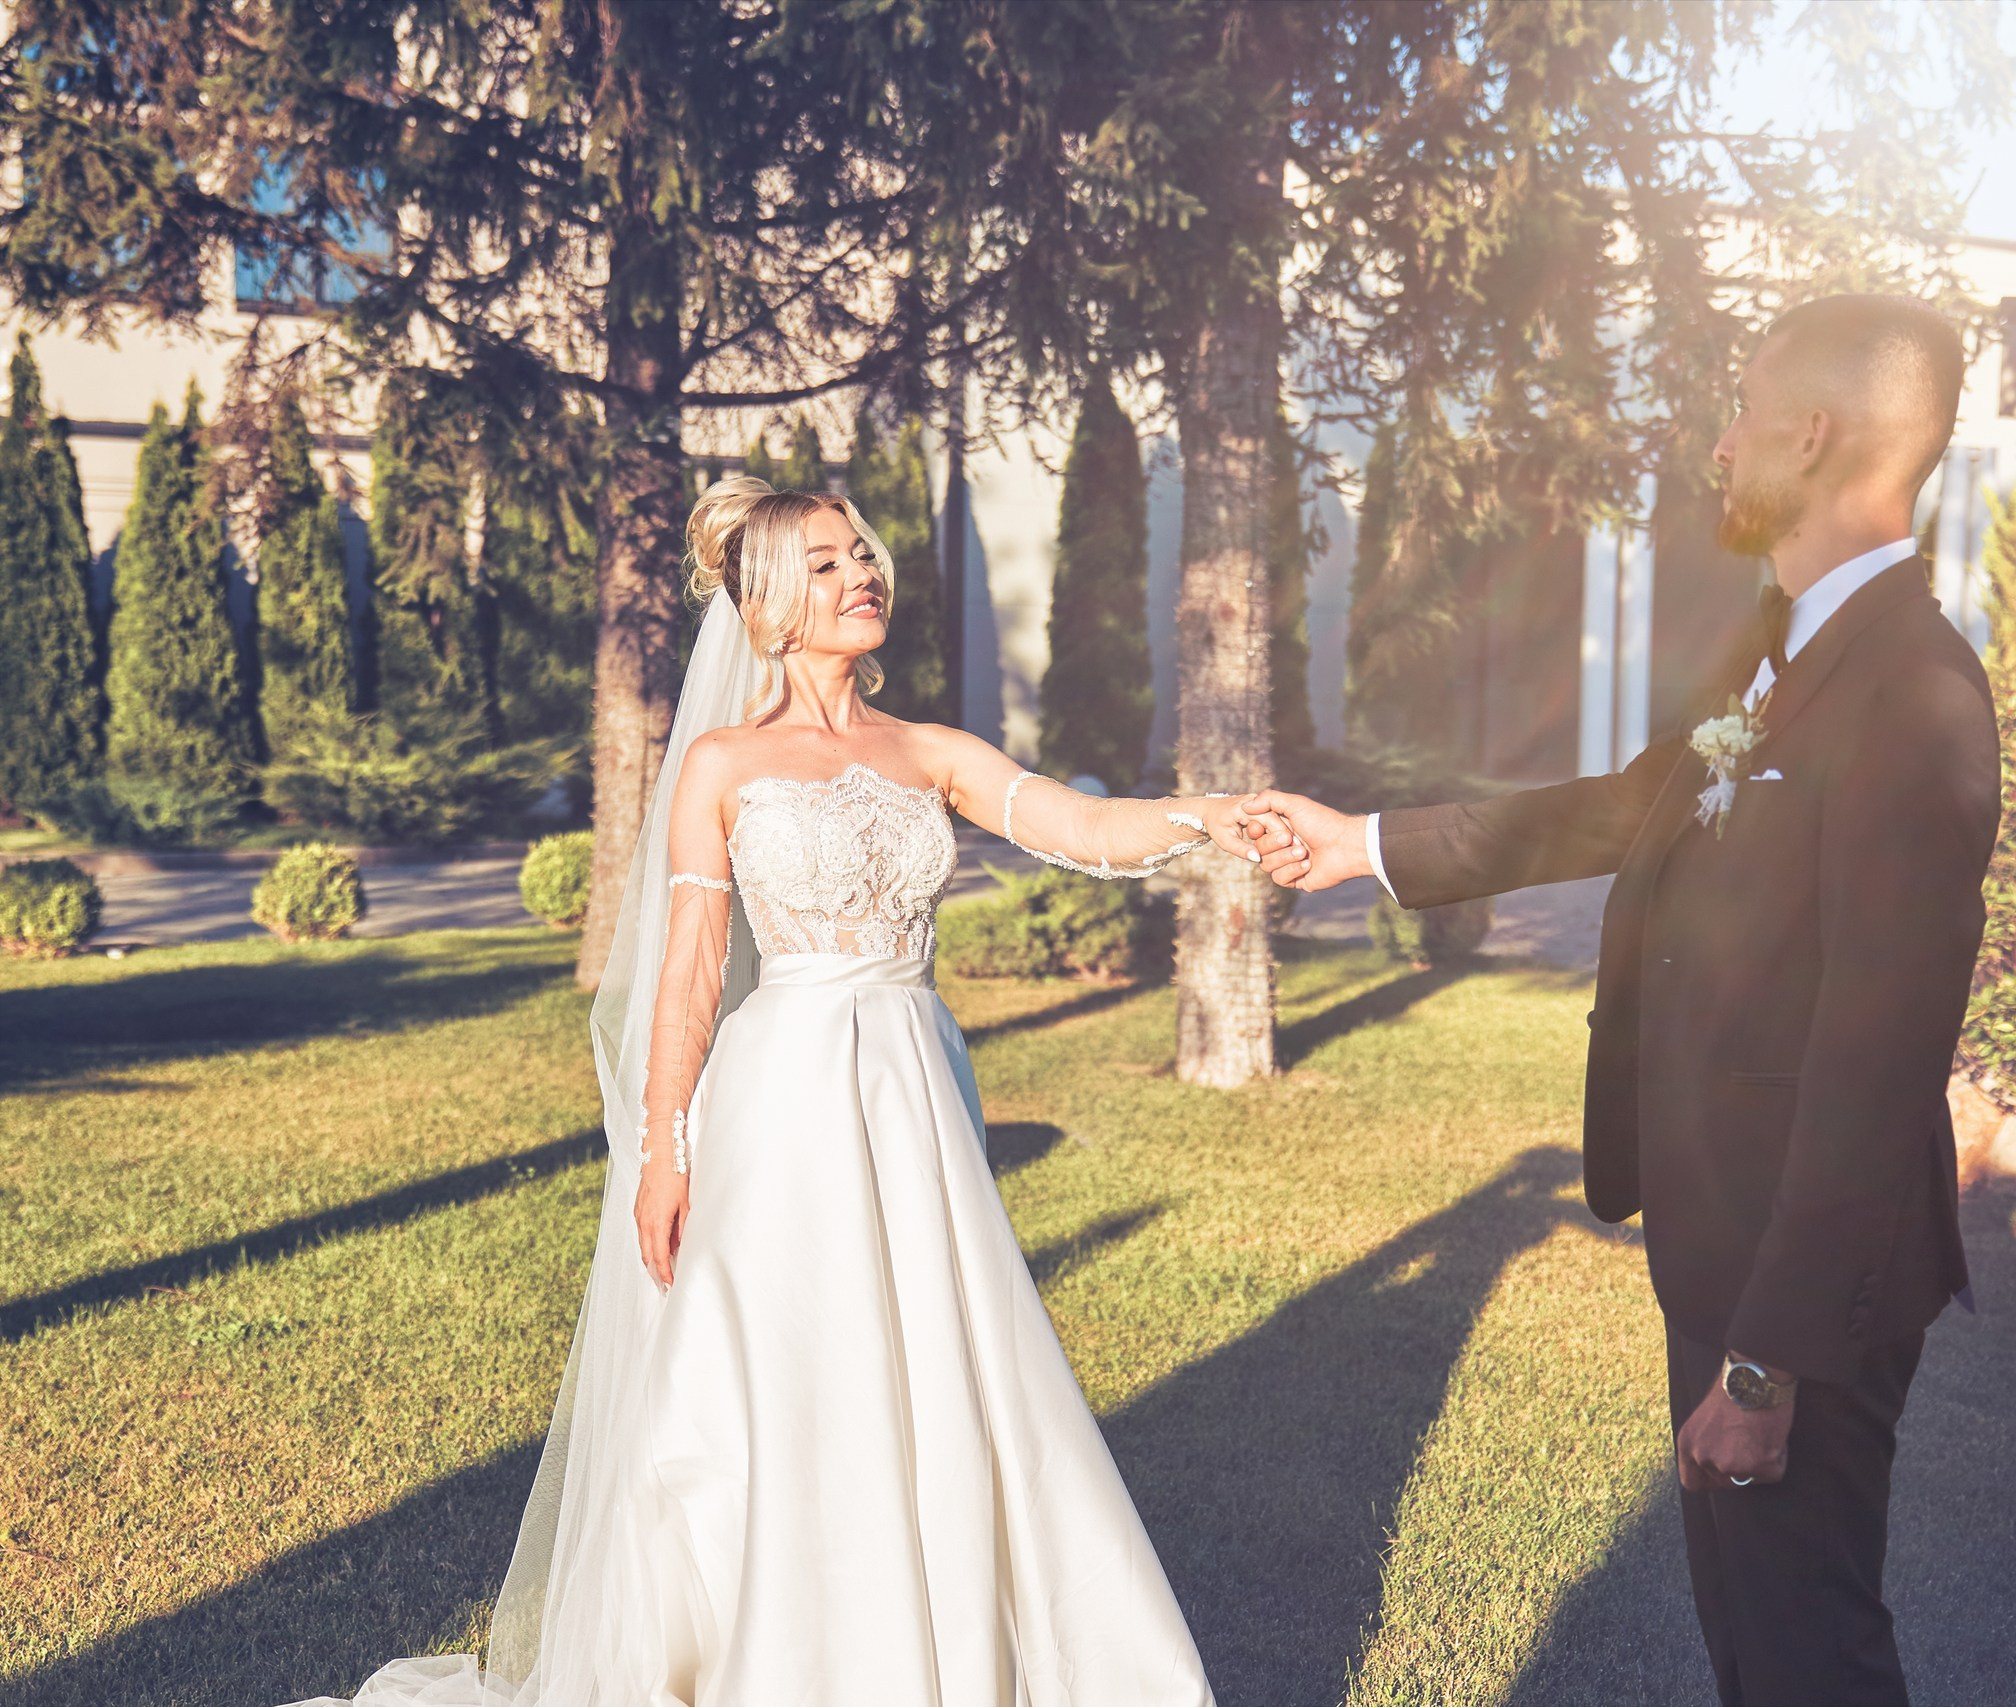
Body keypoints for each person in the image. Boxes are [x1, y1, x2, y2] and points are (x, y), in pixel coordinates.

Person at [291, 475, 1297, 1707]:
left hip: (915, 1084)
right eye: (823, 564)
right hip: (783, 1092)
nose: (859, 575)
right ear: (767, 602)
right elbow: (689, 979)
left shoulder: (929, 751)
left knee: (939, 1359)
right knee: (785, 1367)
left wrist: (1213, 816)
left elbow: (1080, 828)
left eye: (860, 554)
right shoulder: (723, 762)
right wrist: (663, 1151)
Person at [1247, 295, 2003, 1706]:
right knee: (1753, 1642)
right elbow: (1631, 801)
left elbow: (1878, 1062)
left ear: (1815, 431)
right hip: (1723, 1237)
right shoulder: (1785, 652)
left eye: (1740, 412)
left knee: (1806, 1654)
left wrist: (1768, 1364)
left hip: (1803, 1277)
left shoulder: (1916, 693)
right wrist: (1361, 842)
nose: (1717, 447)